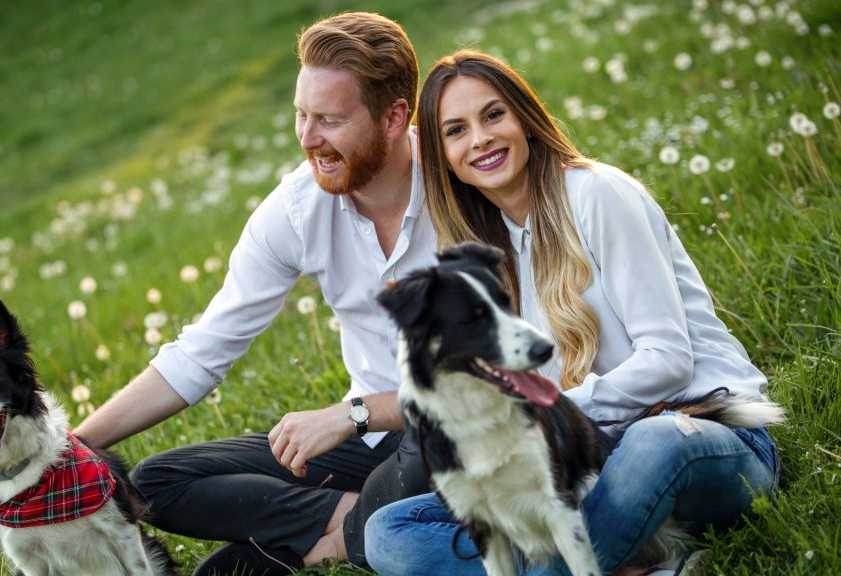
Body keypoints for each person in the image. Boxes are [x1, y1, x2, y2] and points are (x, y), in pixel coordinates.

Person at [363, 49, 780, 576]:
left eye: (493, 115)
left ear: (524, 117)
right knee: (390, 533)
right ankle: (630, 558)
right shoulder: (485, 257)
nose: (481, 139)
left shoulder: (597, 194)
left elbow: (670, 360)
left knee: (651, 445)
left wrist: (553, 414)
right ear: (442, 156)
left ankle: (571, 563)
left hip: (700, 439)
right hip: (586, 466)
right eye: (456, 130)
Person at [73, 12, 436, 576]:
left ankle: (351, 533)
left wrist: (354, 412)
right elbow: (201, 352)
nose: (308, 138)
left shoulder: (460, 186)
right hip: (366, 444)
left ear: (394, 117)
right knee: (155, 483)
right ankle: (352, 521)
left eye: (330, 120)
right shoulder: (296, 209)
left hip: (453, 428)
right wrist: (69, 449)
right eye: (301, 115)